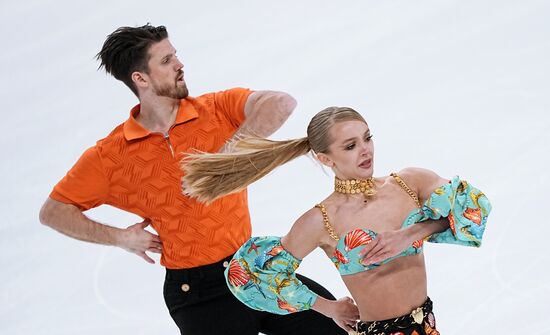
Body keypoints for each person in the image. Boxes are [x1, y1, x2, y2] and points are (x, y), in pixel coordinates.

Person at [38, 24, 355, 335]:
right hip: (199, 294)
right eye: (166, 61)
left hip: (254, 268)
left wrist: (223, 159)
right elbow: (53, 211)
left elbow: (279, 104)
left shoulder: (215, 110)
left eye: (175, 55)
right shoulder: (112, 156)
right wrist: (120, 237)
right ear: (140, 79)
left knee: (340, 328)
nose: (180, 64)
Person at [182, 106, 492, 335]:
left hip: (428, 326)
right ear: (325, 158)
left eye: (367, 138)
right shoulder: (321, 220)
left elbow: (473, 207)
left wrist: (413, 231)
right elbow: (250, 274)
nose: (365, 150)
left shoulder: (409, 183)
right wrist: (328, 308)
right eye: (350, 146)